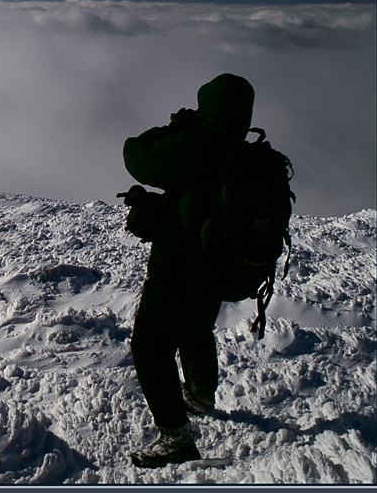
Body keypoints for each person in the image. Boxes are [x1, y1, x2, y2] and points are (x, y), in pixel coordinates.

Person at [121, 73, 256, 468]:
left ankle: (176, 438)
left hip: (179, 264)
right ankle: (198, 397)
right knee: (195, 329)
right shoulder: (243, 152)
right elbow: (200, 200)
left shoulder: (200, 144)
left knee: (150, 345)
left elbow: (137, 153)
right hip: (217, 265)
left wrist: (175, 127)